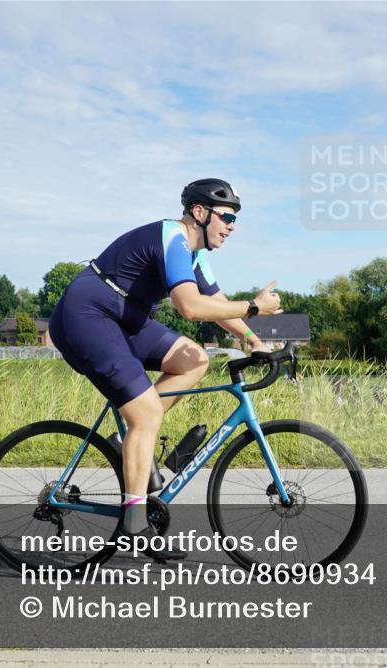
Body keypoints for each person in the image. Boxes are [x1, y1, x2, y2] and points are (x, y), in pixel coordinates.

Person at [48, 178, 282, 549]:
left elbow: (216, 302)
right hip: (88, 314)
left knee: (194, 358)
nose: (232, 226)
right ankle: (135, 526)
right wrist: (254, 307)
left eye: (236, 220)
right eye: (226, 217)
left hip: (125, 316)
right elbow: (190, 308)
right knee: (145, 415)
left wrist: (254, 341)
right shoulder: (173, 238)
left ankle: (132, 441)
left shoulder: (196, 253)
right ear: (199, 213)